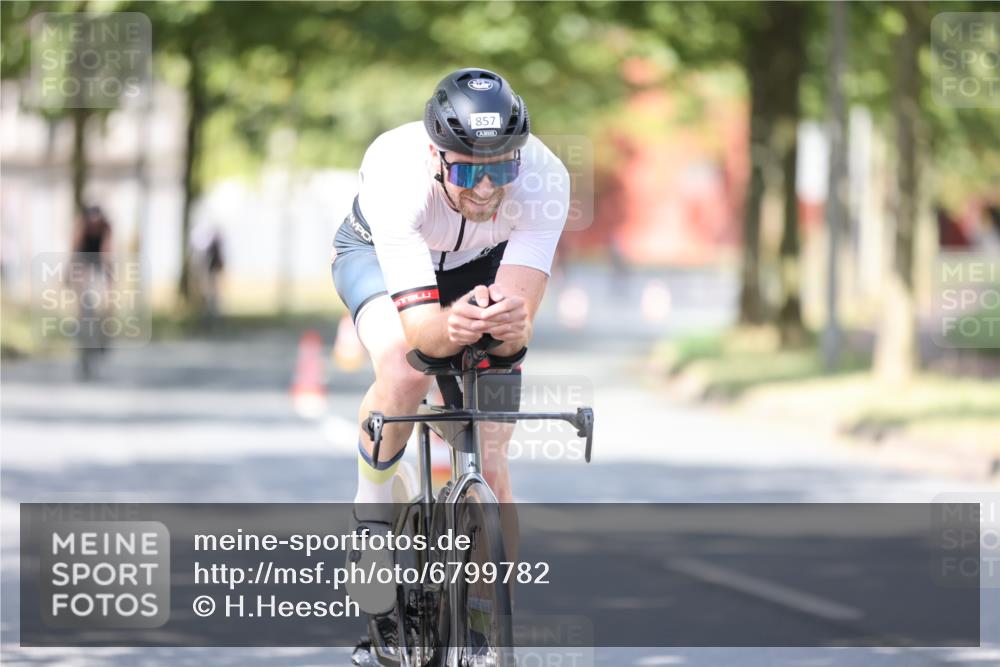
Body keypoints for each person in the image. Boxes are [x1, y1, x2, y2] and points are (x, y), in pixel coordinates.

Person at [330, 67, 569, 662]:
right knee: (407, 369)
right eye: (468, 170)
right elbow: (423, 336)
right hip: (380, 257)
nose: (486, 189)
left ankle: (485, 625)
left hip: (478, 265)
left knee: (491, 451)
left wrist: (506, 333)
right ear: (438, 155)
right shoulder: (397, 172)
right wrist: (450, 330)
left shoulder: (545, 179)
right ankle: (372, 524)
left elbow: (516, 326)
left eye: (501, 168)